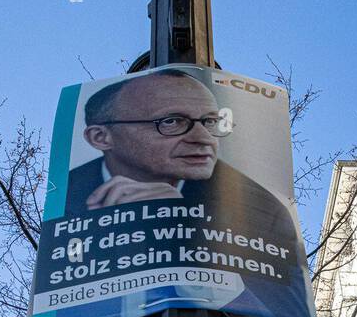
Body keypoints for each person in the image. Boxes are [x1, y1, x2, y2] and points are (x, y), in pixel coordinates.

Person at [63, 69, 302, 258]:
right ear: (100, 137)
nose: (204, 138)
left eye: (210, 122)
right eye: (171, 121)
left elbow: (280, 306)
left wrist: (181, 226)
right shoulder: (65, 198)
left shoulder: (260, 209)